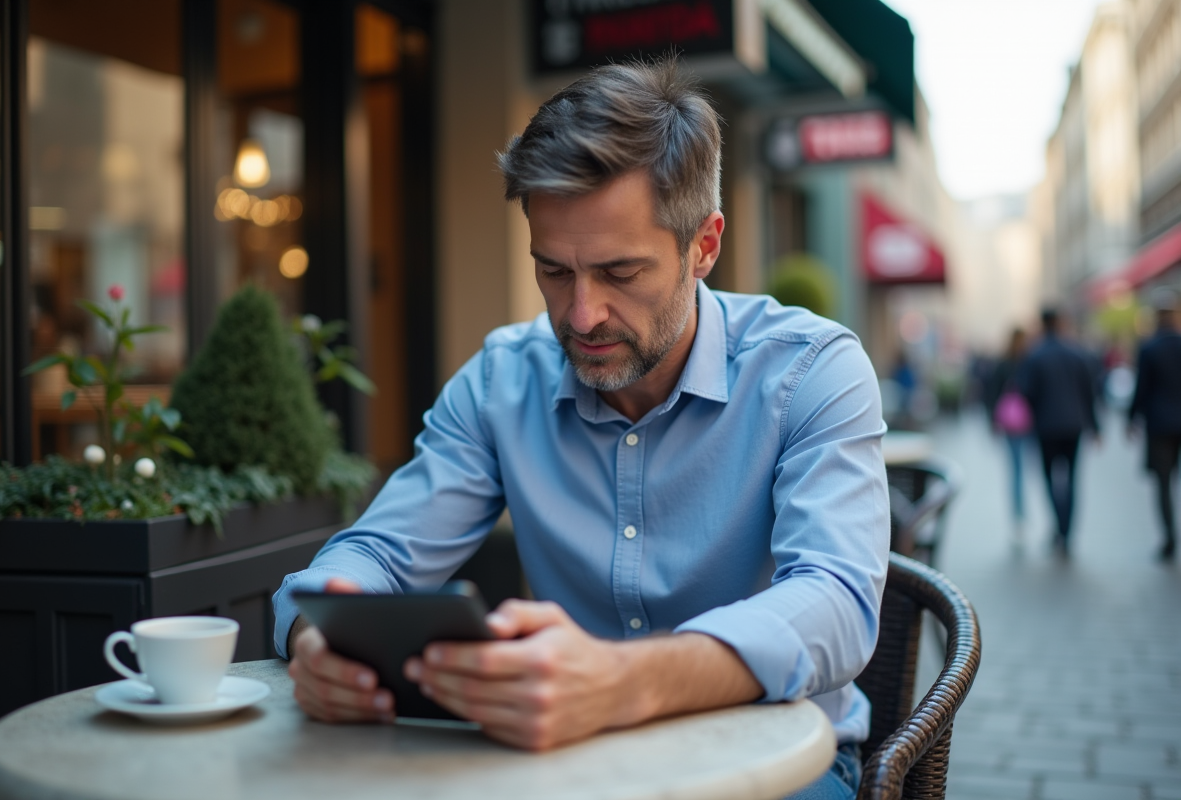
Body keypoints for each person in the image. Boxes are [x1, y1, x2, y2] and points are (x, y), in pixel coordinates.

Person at [273, 58, 888, 799]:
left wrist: (624, 681)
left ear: (705, 246)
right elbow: (375, 556)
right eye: (554, 272)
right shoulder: (504, 379)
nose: (581, 315)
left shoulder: (811, 371)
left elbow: (836, 603)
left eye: (620, 273)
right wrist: (319, 639)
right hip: (566, 768)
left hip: (777, 764)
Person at [1019, 308, 1100, 554]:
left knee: (1050, 479)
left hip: (1046, 428)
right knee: (1072, 480)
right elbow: (1089, 392)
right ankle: (1067, 531)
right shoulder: (1077, 353)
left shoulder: (1035, 355)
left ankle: (1058, 527)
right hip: (1074, 426)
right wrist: (1095, 426)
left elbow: (1026, 392)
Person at [1127, 290, 1181, 561]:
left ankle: (1170, 537)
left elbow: (1141, 389)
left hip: (1159, 425)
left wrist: (1131, 419)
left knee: (1163, 484)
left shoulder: (1149, 348)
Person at [987, 328, 1033, 543]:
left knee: (1016, 470)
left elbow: (992, 393)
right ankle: (1022, 514)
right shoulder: (1030, 361)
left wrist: (993, 421)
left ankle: (1019, 516)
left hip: (1010, 423)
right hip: (1029, 423)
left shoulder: (1003, 363)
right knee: (1024, 470)